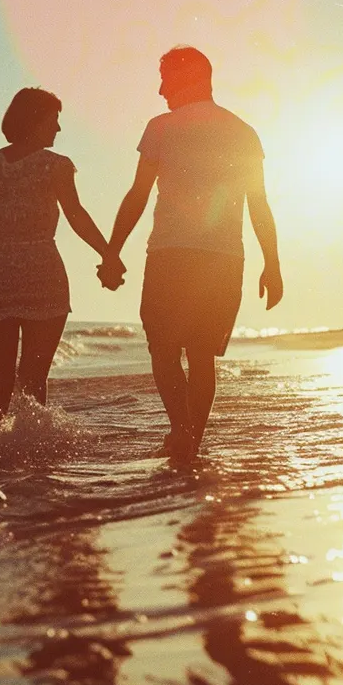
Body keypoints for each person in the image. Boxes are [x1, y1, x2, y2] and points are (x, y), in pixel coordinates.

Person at [99, 46, 283, 462]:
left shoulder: (161, 128)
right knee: (201, 355)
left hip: (171, 254)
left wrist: (113, 250)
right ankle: (190, 440)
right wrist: (271, 263)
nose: (161, 89)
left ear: (191, 78)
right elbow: (260, 205)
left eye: (167, 78)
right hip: (224, 259)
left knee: (162, 350)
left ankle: (183, 432)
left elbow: (138, 194)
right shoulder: (244, 132)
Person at [0, 87, 119, 426]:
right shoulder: (55, 166)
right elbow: (76, 216)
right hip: (42, 277)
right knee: (32, 380)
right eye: (53, 120)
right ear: (35, 120)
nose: (58, 129)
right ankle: (29, 457)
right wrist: (109, 255)